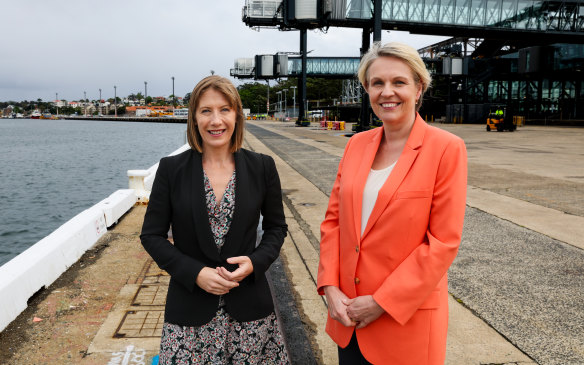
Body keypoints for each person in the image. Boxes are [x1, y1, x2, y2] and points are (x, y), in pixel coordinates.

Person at [317, 42, 467, 365]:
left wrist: (382, 301)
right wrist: (329, 286)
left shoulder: (446, 149)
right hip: (349, 319)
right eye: (377, 83)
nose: (388, 92)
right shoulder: (356, 145)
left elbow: (442, 243)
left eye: (399, 82)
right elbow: (333, 222)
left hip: (405, 324)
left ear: (419, 88)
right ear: (367, 90)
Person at [140, 75, 289, 364]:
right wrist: (194, 273)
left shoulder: (262, 167)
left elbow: (276, 228)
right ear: (194, 118)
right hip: (189, 313)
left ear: (237, 115)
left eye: (225, 110)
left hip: (250, 312)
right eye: (206, 111)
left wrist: (255, 263)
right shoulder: (171, 169)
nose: (216, 120)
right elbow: (152, 235)